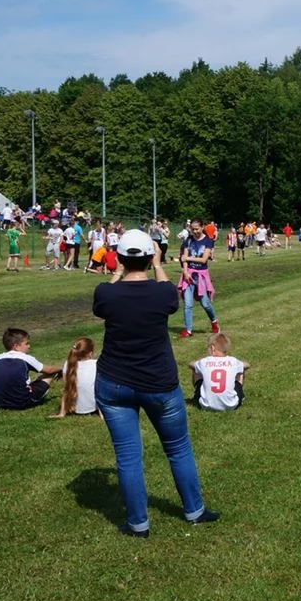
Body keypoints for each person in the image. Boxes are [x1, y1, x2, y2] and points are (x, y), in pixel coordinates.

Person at [94, 229, 219, 537]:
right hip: (158, 382)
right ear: (151, 258)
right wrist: (159, 263)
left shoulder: (106, 293)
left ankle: (138, 523)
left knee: (127, 456)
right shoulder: (162, 293)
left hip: (114, 383)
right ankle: (194, 510)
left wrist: (120, 271)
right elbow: (168, 293)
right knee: (178, 448)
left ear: (120, 259)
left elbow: (104, 299)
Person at [0, 328, 62, 409]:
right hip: (23, 401)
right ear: (16, 346)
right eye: (27, 344)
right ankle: (27, 393)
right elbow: (49, 370)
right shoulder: (25, 358)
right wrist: (61, 368)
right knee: (52, 372)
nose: (29, 346)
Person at [179, 219, 219, 338]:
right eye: (193, 229)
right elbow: (184, 257)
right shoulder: (188, 240)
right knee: (188, 304)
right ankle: (188, 330)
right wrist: (185, 272)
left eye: (197, 229)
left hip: (201, 275)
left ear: (202, 228)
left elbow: (203, 259)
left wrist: (188, 258)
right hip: (189, 274)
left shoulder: (208, 241)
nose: (195, 231)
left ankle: (214, 322)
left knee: (205, 303)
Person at [190, 332, 250, 412]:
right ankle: (240, 395)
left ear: (212, 348)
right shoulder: (233, 361)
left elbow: (191, 364)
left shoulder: (204, 362)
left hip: (205, 405)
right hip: (231, 405)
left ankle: (199, 394)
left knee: (196, 369)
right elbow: (247, 365)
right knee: (240, 370)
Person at [50, 337, 100, 418]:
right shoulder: (96, 364)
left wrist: (62, 413)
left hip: (74, 408)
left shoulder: (68, 364)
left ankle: (63, 412)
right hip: (93, 407)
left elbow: (66, 390)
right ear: (90, 353)